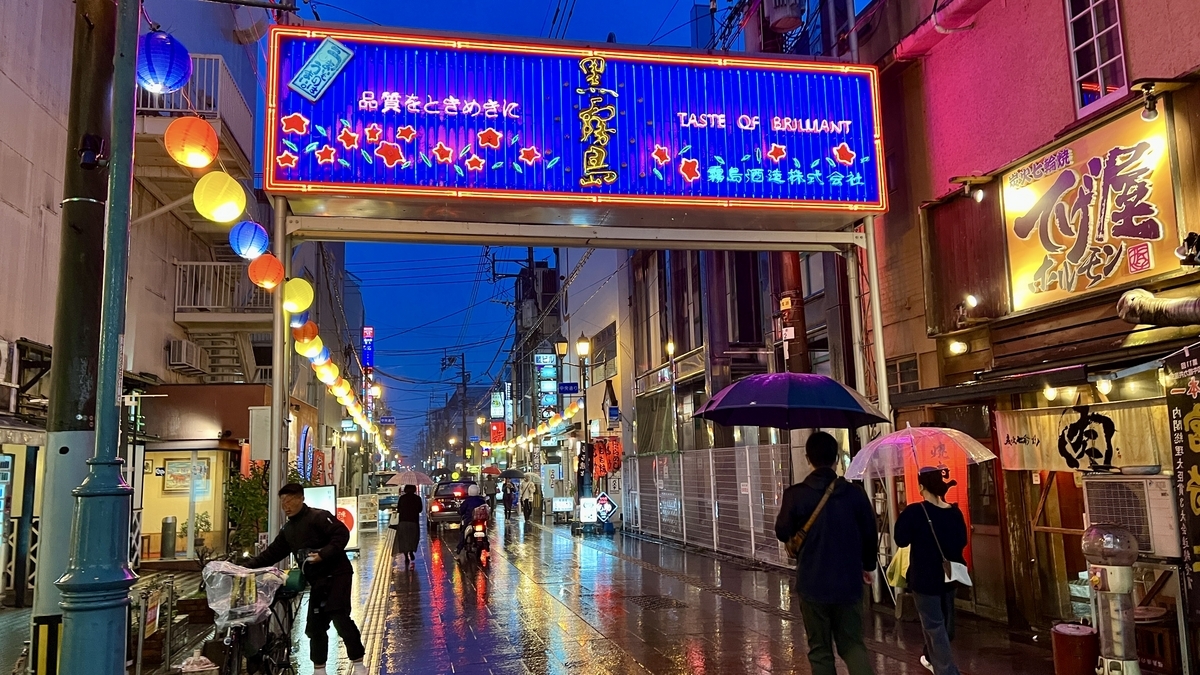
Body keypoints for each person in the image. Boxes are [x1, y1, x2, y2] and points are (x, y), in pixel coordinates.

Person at [774, 432, 877, 675]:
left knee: (820, 650)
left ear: (808, 458)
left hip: (812, 584)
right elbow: (870, 533)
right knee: (852, 645)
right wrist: (867, 565)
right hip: (849, 584)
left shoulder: (795, 494)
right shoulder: (855, 495)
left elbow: (782, 531)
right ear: (836, 459)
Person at [246, 483, 366, 675]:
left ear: (301, 498)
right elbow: (272, 553)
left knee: (340, 617)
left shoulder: (318, 517)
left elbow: (341, 533)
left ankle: (359, 664)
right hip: (317, 581)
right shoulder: (288, 530)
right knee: (315, 626)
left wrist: (323, 554)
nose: (286, 505)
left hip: (337, 575)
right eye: (283, 502)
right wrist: (245, 567)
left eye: (290, 500)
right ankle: (319, 669)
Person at [894, 468, 968, 675]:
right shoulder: (954, 512)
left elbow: (901, 539)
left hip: (924, 579)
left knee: (935, 626)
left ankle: (947, 671)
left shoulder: (915, 512)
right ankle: (930, 658)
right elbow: (962, 541)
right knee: (942, 623)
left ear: (921, 487)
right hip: (949, 576)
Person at [391, 484, 422, 567]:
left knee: (404, 539)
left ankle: (406, 556)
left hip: (403, 522)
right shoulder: (417, 498)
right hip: (414, 522)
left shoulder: (402, 498)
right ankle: (411, 551)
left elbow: (399, 509)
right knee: (413, 538)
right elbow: (420, 509)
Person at [455, 484, 489, 555]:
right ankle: (487, 546)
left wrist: (459, 510)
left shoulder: (467, 501)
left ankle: (459, 548)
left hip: (469, 520)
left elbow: (461, 511)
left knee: (463, 532)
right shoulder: (482, 500)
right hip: (481, 520)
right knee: (485, 532)